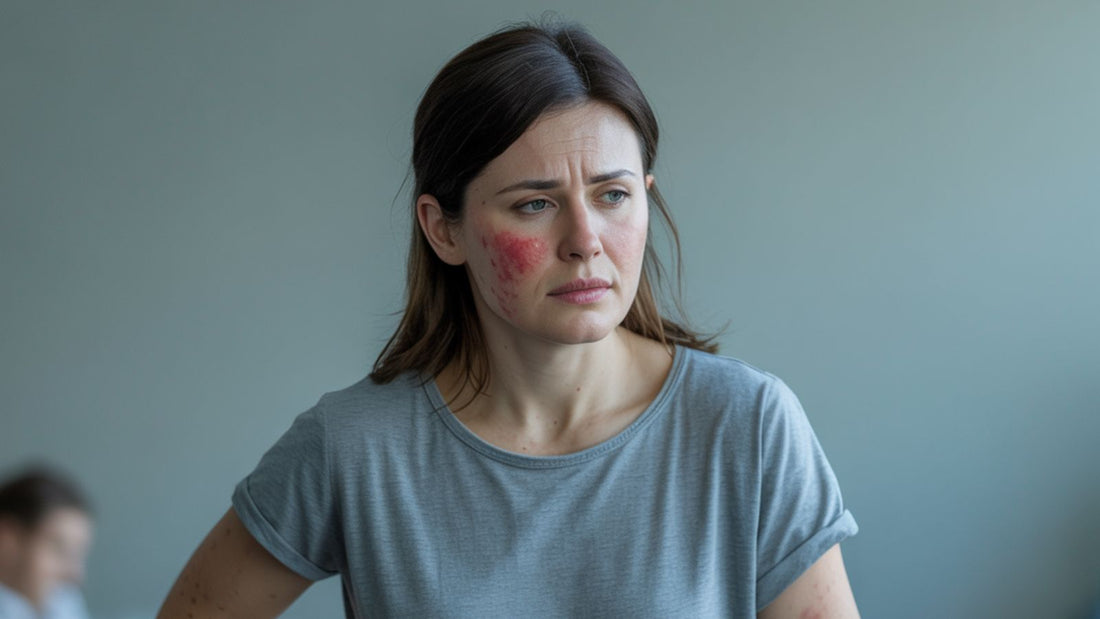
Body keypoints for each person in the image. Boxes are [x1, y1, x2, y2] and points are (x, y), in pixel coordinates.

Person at [159, 17, 859, 618]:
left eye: (613, 195)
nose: (585, 240)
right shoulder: (352, 448)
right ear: (444, 230)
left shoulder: (749, 426)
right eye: (535, 204)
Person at [0, 465, 94, 619]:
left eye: (78, 555)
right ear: (7, 538)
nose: (76, 574)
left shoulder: (62, 602)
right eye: (60, 550)